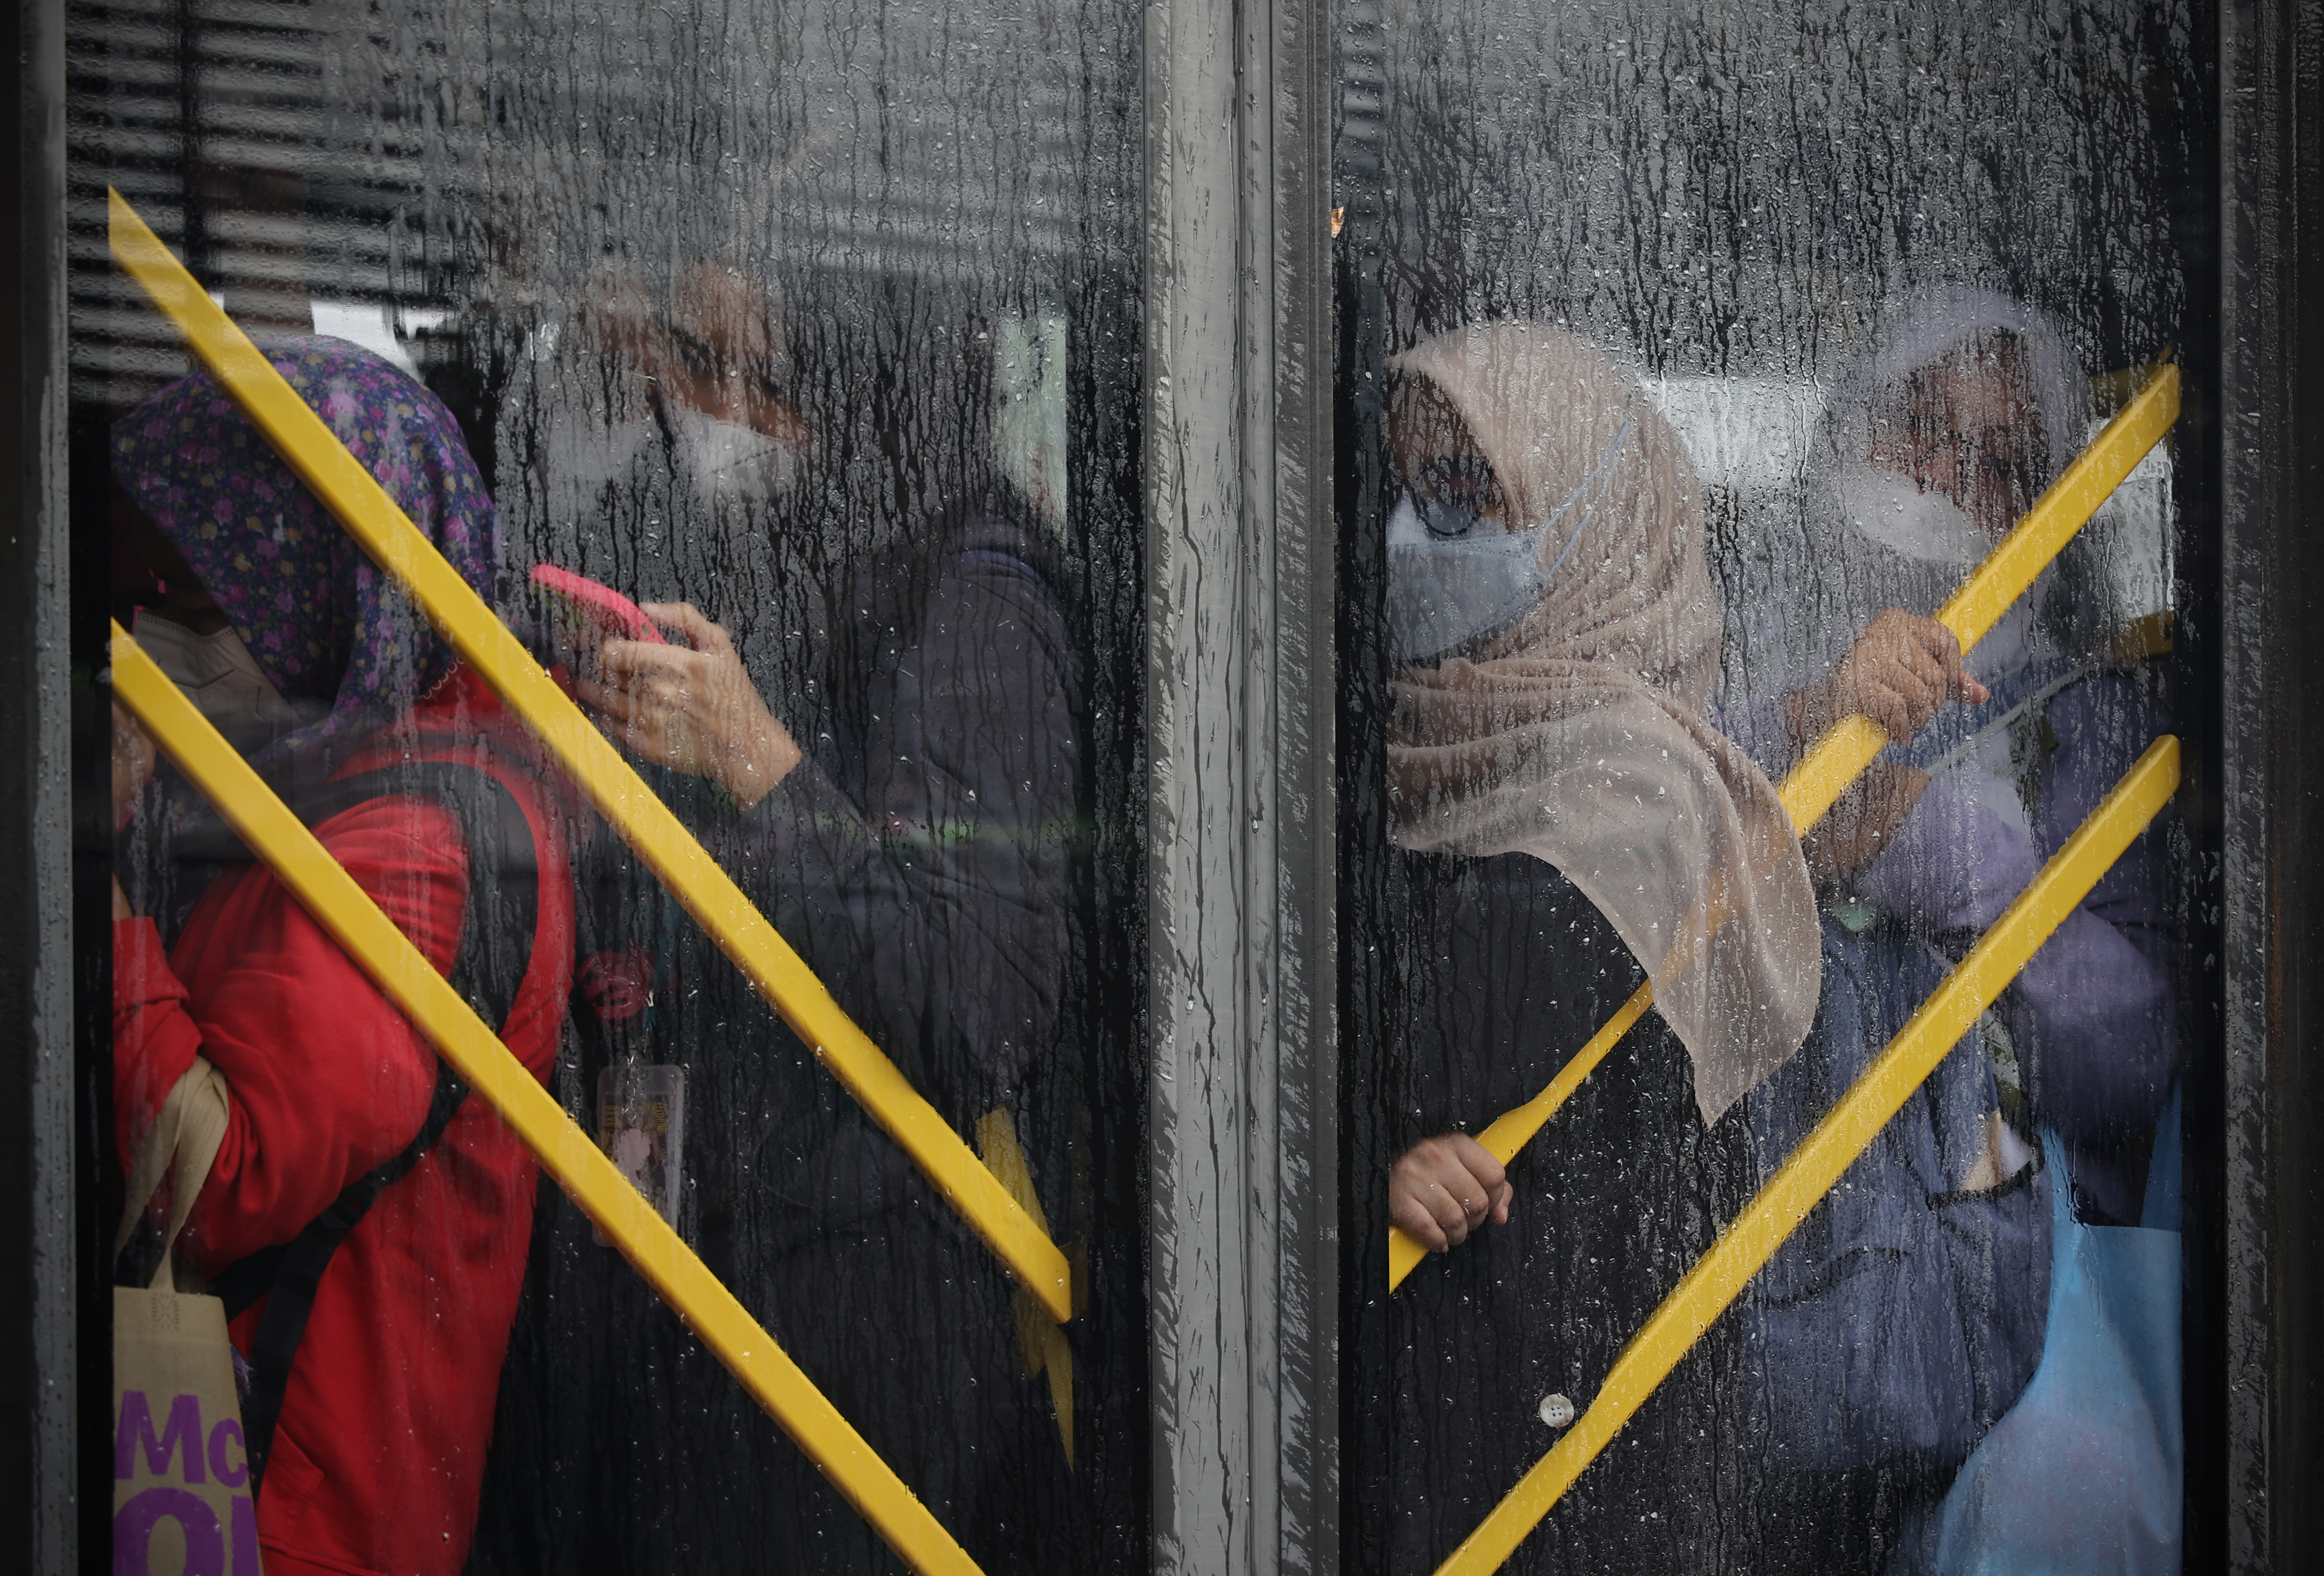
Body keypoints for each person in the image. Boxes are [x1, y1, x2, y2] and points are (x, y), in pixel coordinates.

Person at [467, 263, 1084, 1576]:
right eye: (692, 370)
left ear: (864, 402)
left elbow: (976, 1001)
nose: (710, 414)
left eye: (758, 383)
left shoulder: (973, 605)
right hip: (710, 1280)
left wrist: (759, 762)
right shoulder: (816, 564)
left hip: (854, 1333)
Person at [1367, 320, 1859, 1573]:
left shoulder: (1636, 780)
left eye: (1466, 491)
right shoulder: (1408, 738)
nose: (1415, 532)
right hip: (1437, 1394)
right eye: (1404, 486)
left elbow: (1458, 1012)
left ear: (1593, 520)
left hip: (1571, 1424)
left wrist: (1346, 1123)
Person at [1722, 290, 2178, 1573]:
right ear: (1844, 434)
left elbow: (2130, 1066)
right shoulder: (1721, 652)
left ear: (2044, 509)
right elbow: (1628, 890)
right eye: (1917, 429)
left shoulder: (2086, 721)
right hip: (1729, 1313)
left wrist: (1970, 869)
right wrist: (1806, 732)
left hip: (1998, 1347)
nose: (1944, 478)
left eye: (1999, 464)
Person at [108, 338, 579, 1576]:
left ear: (324, 594)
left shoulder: (414, 844)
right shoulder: (382, 783)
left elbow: (219, 1183)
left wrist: (104, 903)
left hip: (291, 1506)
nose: (160, 620)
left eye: (210, 592)